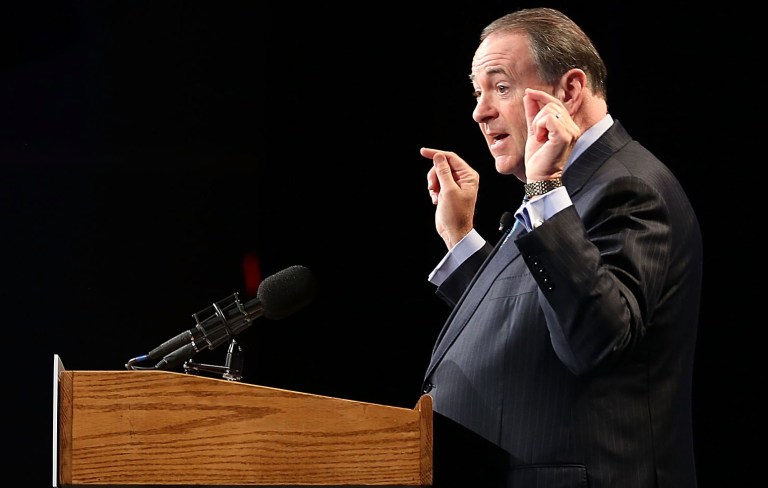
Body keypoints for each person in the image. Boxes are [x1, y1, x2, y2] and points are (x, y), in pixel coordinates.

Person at [419, 7, 702, 488]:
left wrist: (544, 188)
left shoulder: (628, 185)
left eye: (500, 87)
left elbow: (594, 339)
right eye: (477, 91)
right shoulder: (568, 188)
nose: (480, 110)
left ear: (569, 91)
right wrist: (461, 237)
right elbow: (537, 312)